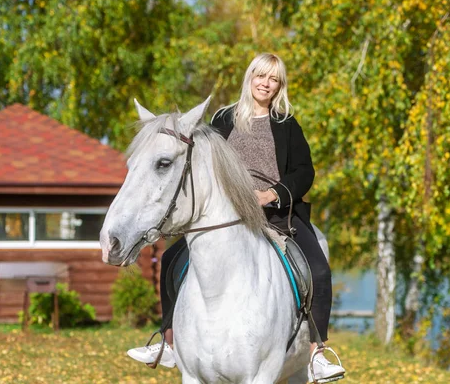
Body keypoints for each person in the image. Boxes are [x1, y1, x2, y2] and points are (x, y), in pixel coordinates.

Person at [127, 53, 344, 381]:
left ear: (279, 86)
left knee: (318, 268)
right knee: (173, 257)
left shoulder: (286, 124)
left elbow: (304, 171)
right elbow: (204, 162)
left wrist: (272, 194)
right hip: (227, 212)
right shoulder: (224, 119)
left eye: (273, 79)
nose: (265, 83)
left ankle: (317, 353)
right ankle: (168, 341)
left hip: (276, 214)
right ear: (250, 77)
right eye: (260, 76)